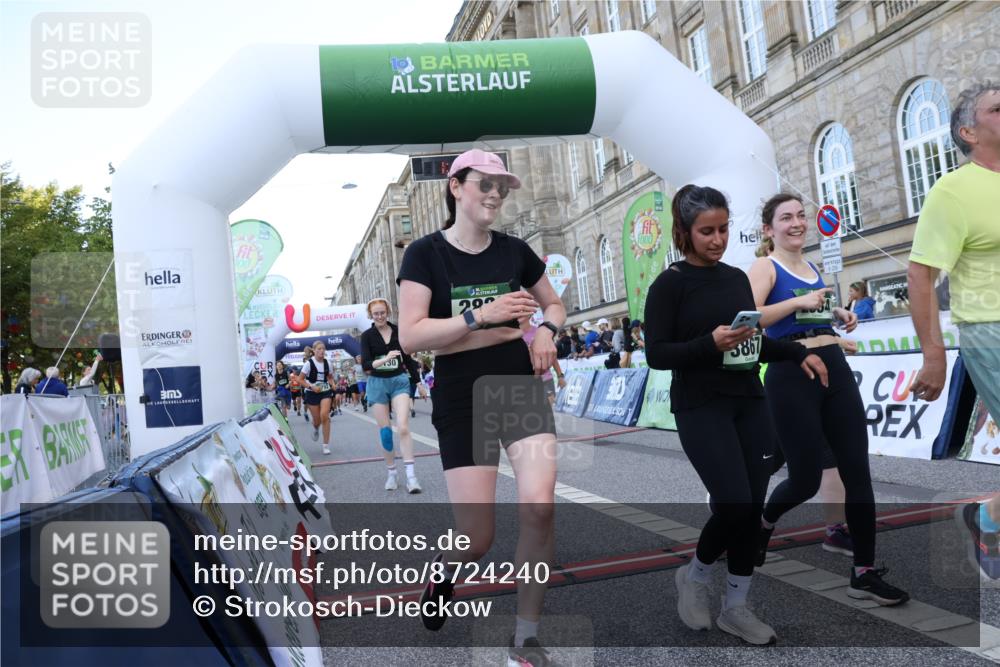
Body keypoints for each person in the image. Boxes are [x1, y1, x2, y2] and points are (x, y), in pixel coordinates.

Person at [397, 148, 565, 665]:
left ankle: (526, 638)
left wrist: (547, 334)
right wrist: (481, 317)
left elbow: (552, 303)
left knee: (539, 505)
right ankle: (444, 573)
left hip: (517, 385)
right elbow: (412, 336)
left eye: (501, 186)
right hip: (462, 397)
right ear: (456, 187)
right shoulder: (425, 254)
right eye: (484, 184)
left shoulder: (514, 251)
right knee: (476, 537)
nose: (494, 194)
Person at [645, 184, 828, 645]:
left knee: (751, 510)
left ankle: (737, 607)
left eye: (724, 229)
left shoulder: (734, 278)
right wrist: (709, 343)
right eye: (707, 231)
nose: (718, 239)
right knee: (733, 503)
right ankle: (695, 576)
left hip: (749, 400)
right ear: (684, 232)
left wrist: (793, 353)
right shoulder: (669, 284)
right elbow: (656, 354)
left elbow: (751, 338)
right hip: (700, 405)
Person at [749, 192, 908, 605]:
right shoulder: (766, 266)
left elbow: (811, 314)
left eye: (802, 215)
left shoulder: (812, 265)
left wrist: (838, 317)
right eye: (787, 218)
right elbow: (748, 319)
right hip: (791, 372)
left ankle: (864, 572)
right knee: (803, 479)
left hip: (833, 365)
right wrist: (800, 301)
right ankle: (763, 524)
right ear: (769, 229)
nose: (798, 222)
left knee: (857, 470)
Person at [908, 82, 1000, 580]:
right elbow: (921, 274)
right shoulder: (953, 190)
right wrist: (934, 356)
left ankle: (983, 516)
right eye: (997, 108)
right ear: (969, 131)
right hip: (989, 329)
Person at [361, 297, 423, 494]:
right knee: (386, 432)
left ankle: (411, 477)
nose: (379, 316)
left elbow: (408, 359)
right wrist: (386, 359)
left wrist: (419, 383)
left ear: (387, 312)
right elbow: (366, 365)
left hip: (399, 381)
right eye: (375, 313)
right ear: (370, 315)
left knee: (403, 426)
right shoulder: (367, 336)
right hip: (378, 383)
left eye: (382, 312)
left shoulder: (398, 331)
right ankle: (392, 473)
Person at [296, 341, 334, 454]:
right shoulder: (308, 363)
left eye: (323, 349)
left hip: (325, 391)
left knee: (325, 416)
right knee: (317, 420)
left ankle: (326, 445)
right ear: (314, 351)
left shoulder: (328, 363)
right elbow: (300, 379)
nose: (321, 351)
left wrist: (333, 384)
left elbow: (330, 377)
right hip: (312, 392)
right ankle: (316, 427)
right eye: (319, 349)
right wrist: (311, 387)